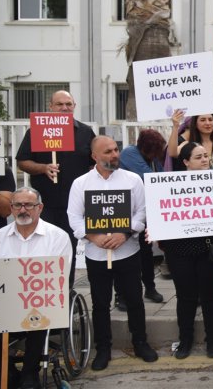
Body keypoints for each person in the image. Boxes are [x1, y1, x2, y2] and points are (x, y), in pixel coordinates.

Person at [67, 136, 158, 370]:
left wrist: (125, 234)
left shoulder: (132, 179)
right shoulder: (81, 183)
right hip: (96, 255)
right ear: (94, 156)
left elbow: (142, 211)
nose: (115, 154)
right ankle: (103, 348)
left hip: (128, 252)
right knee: (100, 303)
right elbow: (74, 217)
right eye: (108, 151)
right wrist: (93, 236)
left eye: (116, 149)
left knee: (135, 300)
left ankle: (140, 342)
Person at [0, 187, 71, 389]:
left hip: (40, 301)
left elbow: (60, 276)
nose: (23, 210)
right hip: (4, 302)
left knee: (38, 314)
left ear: (39, 208)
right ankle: (8, 371)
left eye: (29, 205)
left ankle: (30, 373)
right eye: (17, 205)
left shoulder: (58, 237)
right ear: (11, 208)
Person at [16, 90, 96, 283]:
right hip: (43, 205)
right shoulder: (35, 131)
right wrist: (43, 167)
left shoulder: (85, 132)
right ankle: (41, 290)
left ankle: (65, 293)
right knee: (42, 249)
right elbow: (22, 161)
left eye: (68, 104)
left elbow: (95, 163)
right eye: (59, 104)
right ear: (50, 107)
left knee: (68, 249)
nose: (64, 108)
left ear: (74, 106)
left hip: (75, 205)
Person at [159, 142, 213, 360]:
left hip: (209, 249)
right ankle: (185, 339)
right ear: (186, 162)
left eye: (206, 156)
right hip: (180, 250)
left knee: (211, 296)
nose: (205, 160)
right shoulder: (171, 184)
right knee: (186, 297)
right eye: (198, 157)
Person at [117, 114, 183, 307]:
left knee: (146, 253)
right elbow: (151, 179)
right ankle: (121, 295)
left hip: (144, 210)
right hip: (126, 209)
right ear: (146, 148)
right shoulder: (130, 154)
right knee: (124, 256)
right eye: (155, 151)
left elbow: (161, 176)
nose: (158, 155)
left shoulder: (153, 159)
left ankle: (150, 288)